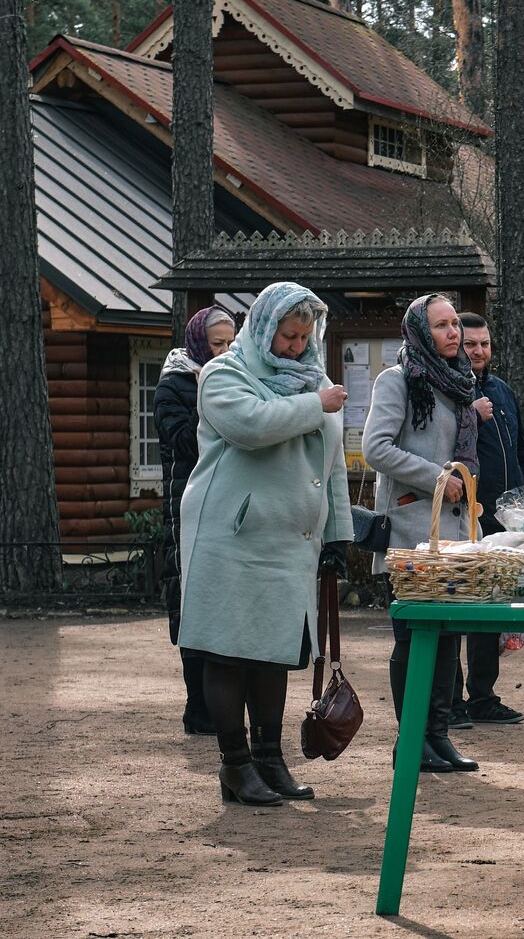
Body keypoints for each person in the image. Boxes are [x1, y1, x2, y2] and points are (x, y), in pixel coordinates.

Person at [177, 282, 353, 807]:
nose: (296, 346)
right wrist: (313, 404)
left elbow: (334, 462)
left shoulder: (314, 379)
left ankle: (271, 761)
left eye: (304, 336)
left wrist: (337, 533)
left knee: (274, 655)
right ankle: (235, 766)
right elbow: (250, 425)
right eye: (287, 335)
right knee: (230, 653)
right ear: (262, 328)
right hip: (232, 536)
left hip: (290, 539)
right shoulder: (224, 373)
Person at [363, 294, 482, 774]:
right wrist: (438, 476)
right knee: (414, 639)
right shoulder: (398, 380)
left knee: (448, 638)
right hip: (412, 530)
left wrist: (465, 490)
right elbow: (376, 448)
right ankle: (409, 741)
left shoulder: (459, 384)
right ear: (419, 331)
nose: (453, 333)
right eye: (442, 326)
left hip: (453, 533)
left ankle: (438, 736)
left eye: (455, 323)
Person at [155, 305, 236, 735]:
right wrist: (208, 394)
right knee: (190, 599)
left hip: (230, 502)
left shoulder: (238, 380)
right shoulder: (176, 382)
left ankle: (223, 704)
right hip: (186, 503)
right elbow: (184, 442)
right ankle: (198, 707)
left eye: (230, 344)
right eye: (216, 344)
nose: (223, 352)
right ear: (198, 343)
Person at [449, 312, 524, 727]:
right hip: (462, 516)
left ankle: (482, 696)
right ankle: (450, 700)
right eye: (471, 344)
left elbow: (522, 450)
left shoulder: (503, 391)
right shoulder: (448, 390)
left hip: (506, 518)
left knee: (491, 608)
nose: (479, 351)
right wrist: (467, 410)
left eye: (484, 344)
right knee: (457, 605)